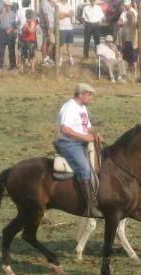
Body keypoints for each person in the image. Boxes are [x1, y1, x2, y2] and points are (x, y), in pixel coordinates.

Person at [56, 83, 103, 218]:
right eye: (89, 95)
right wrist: (85, 137)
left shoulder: (82, 108)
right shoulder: (69, 107)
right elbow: (65, 129)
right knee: (85, 169)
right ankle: (89, 207)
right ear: (80, 94)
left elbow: (87, 127)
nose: (90, 98)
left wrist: (95, 135)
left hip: (82, 142)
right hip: (69, 144)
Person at [0, 0, 18, 70]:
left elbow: (16, 23)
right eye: (6, 6)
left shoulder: (13, 13)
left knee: (11, 50)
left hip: (10, 32)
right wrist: (3, 13)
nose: (7, 7)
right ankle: (0, 67)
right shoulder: (0, 12)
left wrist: (11, 29)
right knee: (1, 50)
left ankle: (12, 66)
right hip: (2, 32)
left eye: (8, 6)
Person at [120, 4, 138, 77]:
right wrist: (123, 44)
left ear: (133, 16)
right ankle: (126, 72)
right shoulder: (125, 23)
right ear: (127, 17)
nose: (130, 18)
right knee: (125, 58)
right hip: (127, 42)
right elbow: (123, 35)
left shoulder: (136, 23)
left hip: (134, 44)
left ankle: (135, 73)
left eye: (131, 16)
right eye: (128, 16)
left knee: (134, 59)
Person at [19, 8, 37, 73]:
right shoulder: (27, 21)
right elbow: (23, 30)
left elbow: (32, 31)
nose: (26, 16)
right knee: (23, 55)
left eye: (26, 15)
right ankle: (21, 69)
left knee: (31, 56)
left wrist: (27, 26)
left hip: (30, 41)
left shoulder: (32, 22)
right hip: (24, 40)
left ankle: (32, 69)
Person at [39, 0, 54, 66]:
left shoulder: (47, 3)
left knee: (49, 42)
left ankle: (46, 58)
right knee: (47, 42)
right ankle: (45, 59)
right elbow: (45, 16)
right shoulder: (44, 2)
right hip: (47, 26)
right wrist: (48, 28)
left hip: (50, 26)